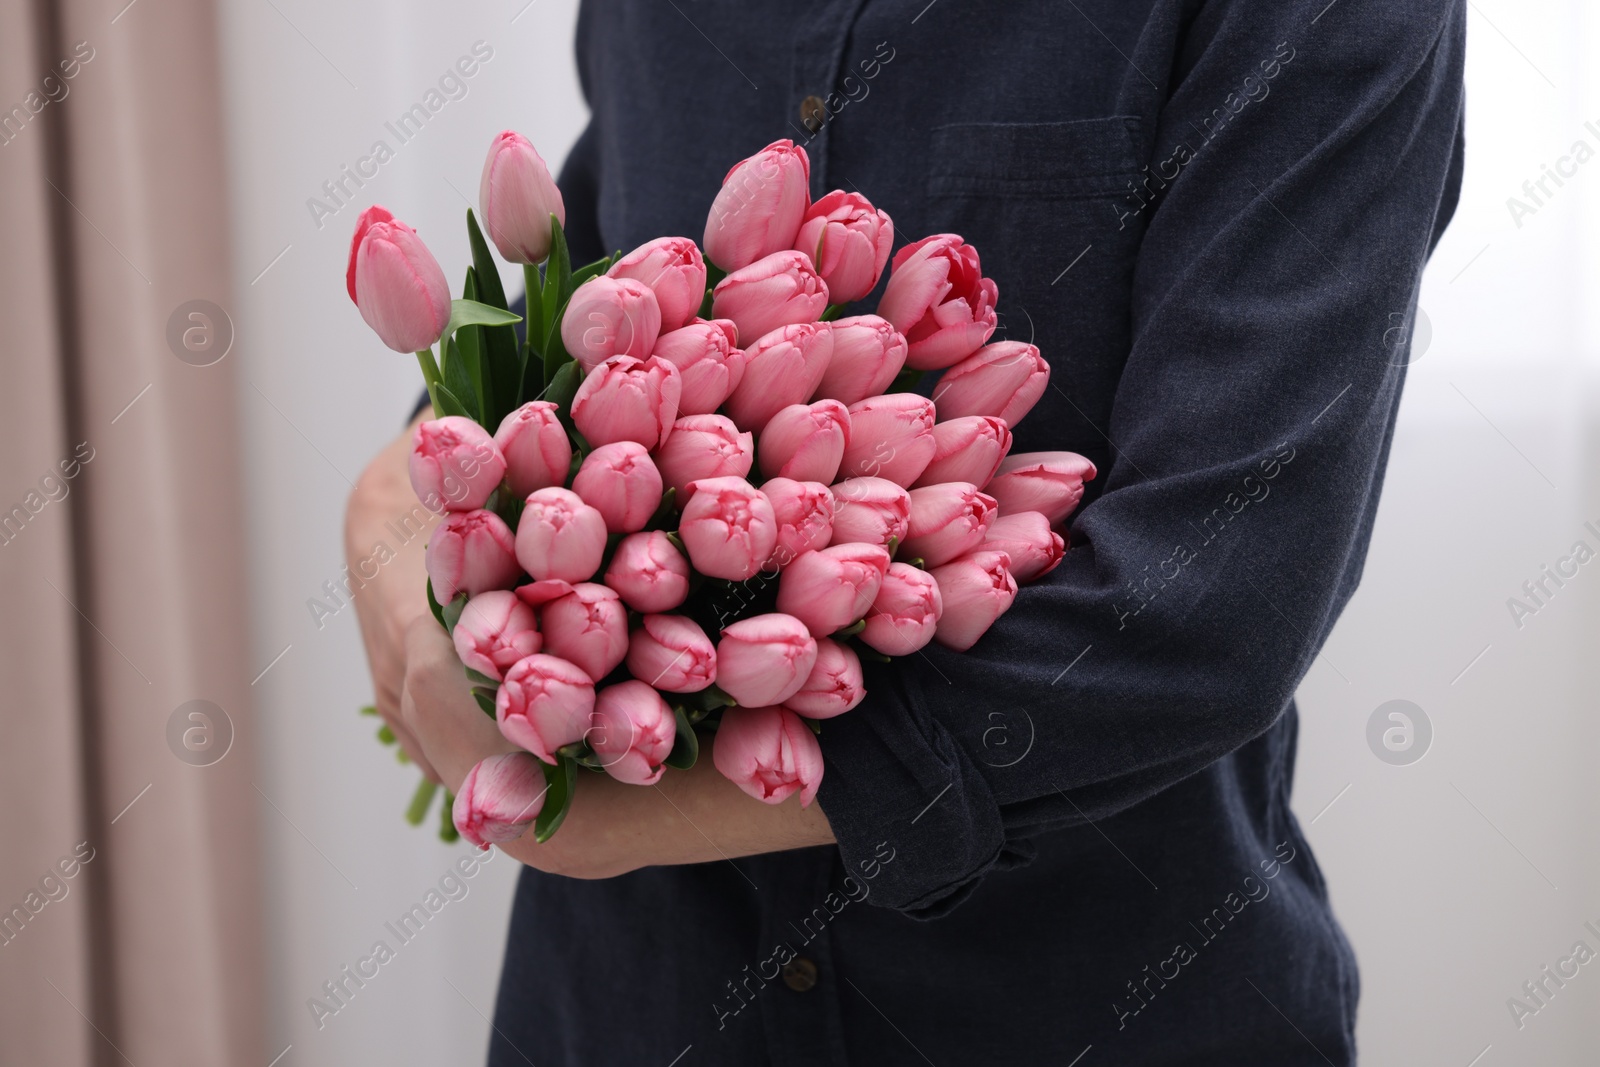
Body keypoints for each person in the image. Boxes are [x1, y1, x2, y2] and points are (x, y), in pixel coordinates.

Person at [346, 1, 1466, 1062]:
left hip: (1094, 1005)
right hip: (625, 1005)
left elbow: (1204, 609)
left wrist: (616, 817)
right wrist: (393, 545)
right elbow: (572, 319)